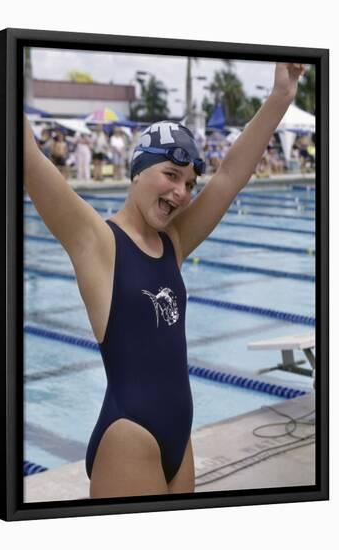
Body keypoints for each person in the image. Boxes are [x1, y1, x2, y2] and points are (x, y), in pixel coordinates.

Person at [23, 63, 306, 498]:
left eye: (189, 183)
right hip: (130, 439)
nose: (181, 193)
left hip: (180, 437)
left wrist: (281, 98)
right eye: (170, 176)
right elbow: (29, 157)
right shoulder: (98, 243)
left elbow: (230, 176)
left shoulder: (172, 242)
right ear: (137, 172)